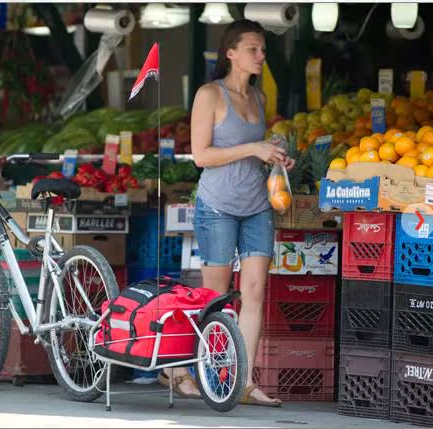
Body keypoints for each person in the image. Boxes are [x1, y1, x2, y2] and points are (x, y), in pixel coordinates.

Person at [158, 19, 295, 406]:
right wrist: (253, 149)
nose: (261, 56)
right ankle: (183, 368)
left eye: (263, 49)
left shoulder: (259, 98)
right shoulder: (209, 95)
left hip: (257, 207)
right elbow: (201, 156)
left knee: (254, 293)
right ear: (230, 53)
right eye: (253, 48)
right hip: (217, 207)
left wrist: (274, 155)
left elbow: (254, 151)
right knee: (215, 296)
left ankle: (244, 381)